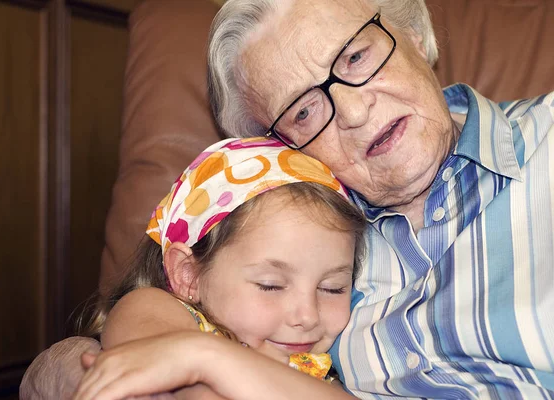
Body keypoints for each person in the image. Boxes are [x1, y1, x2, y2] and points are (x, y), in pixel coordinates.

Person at [203, 0, 554, 398]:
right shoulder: (301, 244)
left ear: (413, 37)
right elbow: (174, 294)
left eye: (355, 57)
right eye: (303, 112)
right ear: (281, 150)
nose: (353, 112)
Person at [73, 137, 367, 400]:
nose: (307, 316)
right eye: (271, 285)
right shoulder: (151, 308)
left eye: (333, 288)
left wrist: (212, 362)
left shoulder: (324, 370)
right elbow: (171, 365)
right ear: (189, 275)